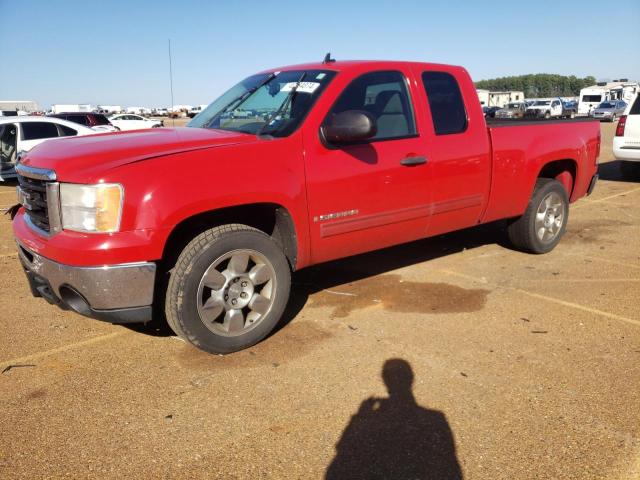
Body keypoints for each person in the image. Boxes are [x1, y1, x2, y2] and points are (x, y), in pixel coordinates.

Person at [326, 359, 463, 480]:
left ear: (384, 380)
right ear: (411, 379)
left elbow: (345, 449)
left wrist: (360, 416)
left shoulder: (371, 420)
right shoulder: (436, 419)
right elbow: (450, 467)